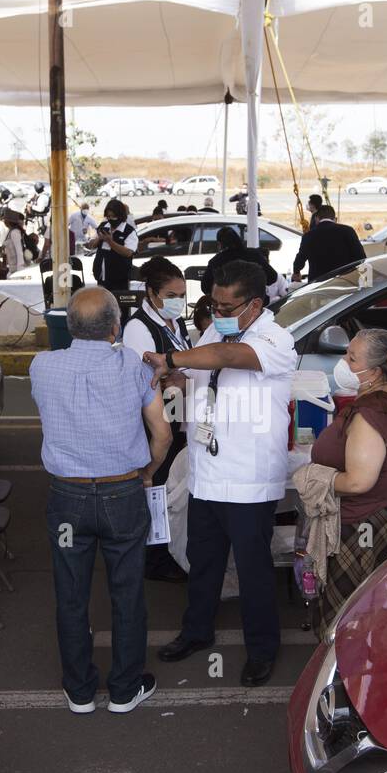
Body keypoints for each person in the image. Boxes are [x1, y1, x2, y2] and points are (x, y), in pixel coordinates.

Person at [141, 260, 298, 687]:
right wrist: (173, 376)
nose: (220, 314)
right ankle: (196, 630)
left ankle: (262, 649)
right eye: (215, 304)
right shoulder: (216, 329)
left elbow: (229, 356)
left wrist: (170, 355)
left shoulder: (275, 339)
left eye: (229, 307)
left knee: (253, 568)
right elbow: (198, 371)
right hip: (206, 470)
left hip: (248, 477)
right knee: (203, 559)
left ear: (256, 305)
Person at [29, 286, 171, 714]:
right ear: (115, 327)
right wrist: (147, 473)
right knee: (127, 592)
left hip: (67, 499)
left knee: (71, 593)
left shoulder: (41, 366)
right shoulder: (132, 363)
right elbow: (161, 433)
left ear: (69, 326)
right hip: (122, 494)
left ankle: (80, 690)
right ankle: (125, 689)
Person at [303, 328, 387, 633]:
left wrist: (314, 479)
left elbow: (358, 482)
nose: (344, 362)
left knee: (354, 618)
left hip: (362, 526)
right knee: (378, 611)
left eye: (352, 358)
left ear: (376, 372)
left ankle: (349, 676)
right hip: (384, 513)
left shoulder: (370, 413)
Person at [122, 256, 193, 583]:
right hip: (154, 425)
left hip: (178, 418)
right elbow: (147, 380)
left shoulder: (176, 325)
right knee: (155, 489)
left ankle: (169, 551)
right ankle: (154, 559)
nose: (178, 302)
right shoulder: (139, 328)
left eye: (182, 295)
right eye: (171, 295)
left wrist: (181, 377)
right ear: (151, 294)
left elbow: (182, 370)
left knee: (172, 492)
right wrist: (175, 377)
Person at [291, 205, 365, 282]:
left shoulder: (308, 236)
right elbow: (361, 257)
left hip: (318, 284)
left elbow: (300, 258)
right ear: (335, 219)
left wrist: (296, 272)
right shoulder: (348, 231)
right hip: (345, 281)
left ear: (316, 219)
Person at [200, 226, 277, 296]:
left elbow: (205, 287)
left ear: (220, 244)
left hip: (227, 306)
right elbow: (272, 278)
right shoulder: (254, 254)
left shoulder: (216, 261)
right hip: (255, 302)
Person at [91, 198, 138, 302]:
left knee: (119, 310)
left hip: (119, 280)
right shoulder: (104, 226)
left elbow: (128, 252)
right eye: (108, 216)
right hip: (101, 277)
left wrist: (110, 242)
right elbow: (93, 245)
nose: (111, 219)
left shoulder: (128, 231)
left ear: (120, 215)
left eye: (113, 216)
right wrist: (100, 238)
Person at [0, 209, 27, 274]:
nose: (4, 222)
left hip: (17, 268)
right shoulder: (10, 231)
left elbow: (19, 251)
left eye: (5, 220)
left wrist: (20, 269)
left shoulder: (15, 232)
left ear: (9, 221)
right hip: (12, 267)